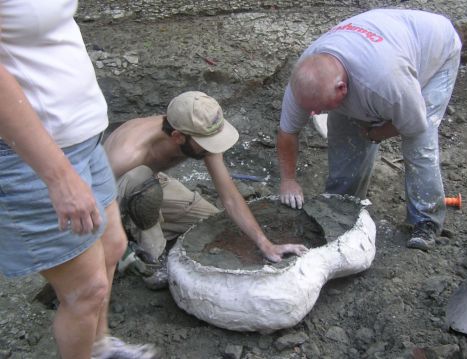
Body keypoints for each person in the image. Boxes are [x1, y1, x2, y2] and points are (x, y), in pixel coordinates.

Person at [0, 1, 157, 358]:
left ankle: (99, 347)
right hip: (32, 154)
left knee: (113, 247)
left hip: (82, 139)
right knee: (85, 291)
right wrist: (58, 177)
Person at [277, 9, 462, 251]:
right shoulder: (305, 81)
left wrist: (375, 133)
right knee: (346, 140)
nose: (314, 114)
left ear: (341, 88)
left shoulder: (386, 83)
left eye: (320, 108)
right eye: (310, 109)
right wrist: (288, 180)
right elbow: (287, 132)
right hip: (385, 42)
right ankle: (340, 209)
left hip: (436, 50)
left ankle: (426, 220)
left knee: (419, 145)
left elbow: (416, 124)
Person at [104, 91, 308, 285]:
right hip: (109, 195)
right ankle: (151, 261)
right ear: (177, 137)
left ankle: (143, 223)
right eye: (206, 144)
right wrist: (118, 249)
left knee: (214, 226)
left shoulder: (197, 128)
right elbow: (89, 207)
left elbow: (229, 197)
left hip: (151, 181)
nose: (212, 148)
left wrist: (265, 243)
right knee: (144, 190)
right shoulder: (126, 155)